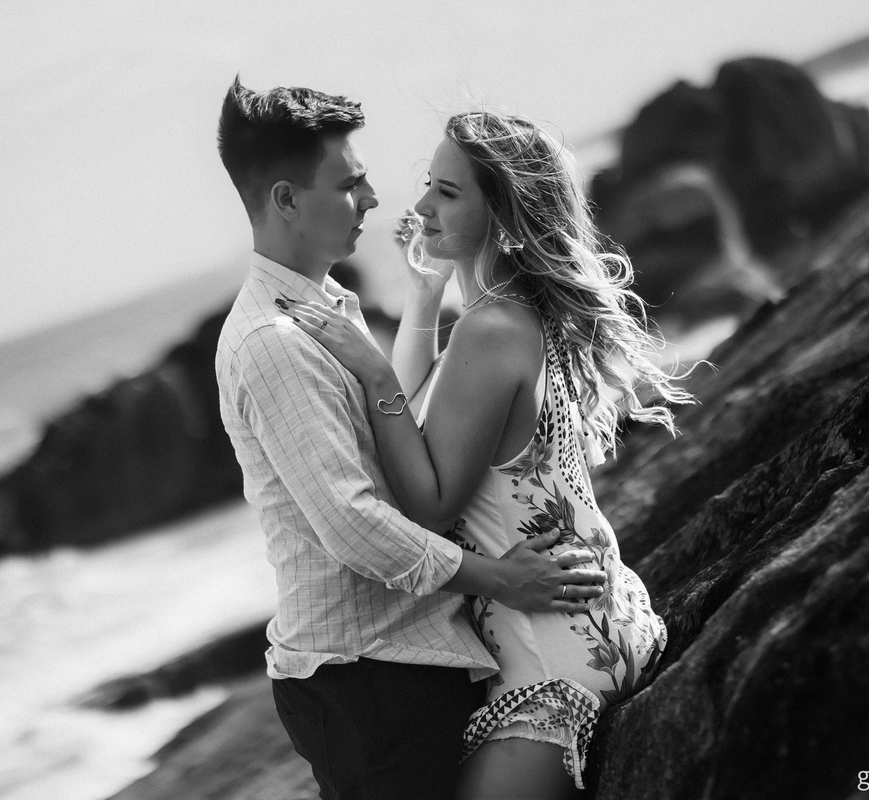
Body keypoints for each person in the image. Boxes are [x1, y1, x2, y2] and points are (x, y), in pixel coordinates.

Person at [213, 81, 609, 800]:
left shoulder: (329, 308)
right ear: (286, 200)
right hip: (364, 674)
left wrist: (420, 302)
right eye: (350, 184)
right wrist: (499, 579)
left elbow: (410, 425)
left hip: (418, 653)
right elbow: (353, 523)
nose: (375, 199)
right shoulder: (276, 343)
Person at [288, 110, 691, 799]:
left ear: (503, 216)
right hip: (607, 620)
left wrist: (372, 372)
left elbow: (429, 503)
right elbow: (424, 408)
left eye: (447, 192)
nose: (421, 206)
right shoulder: (520, 314)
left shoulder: (490, 330)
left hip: (553, 668)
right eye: (428, 184)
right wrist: (424, 293)